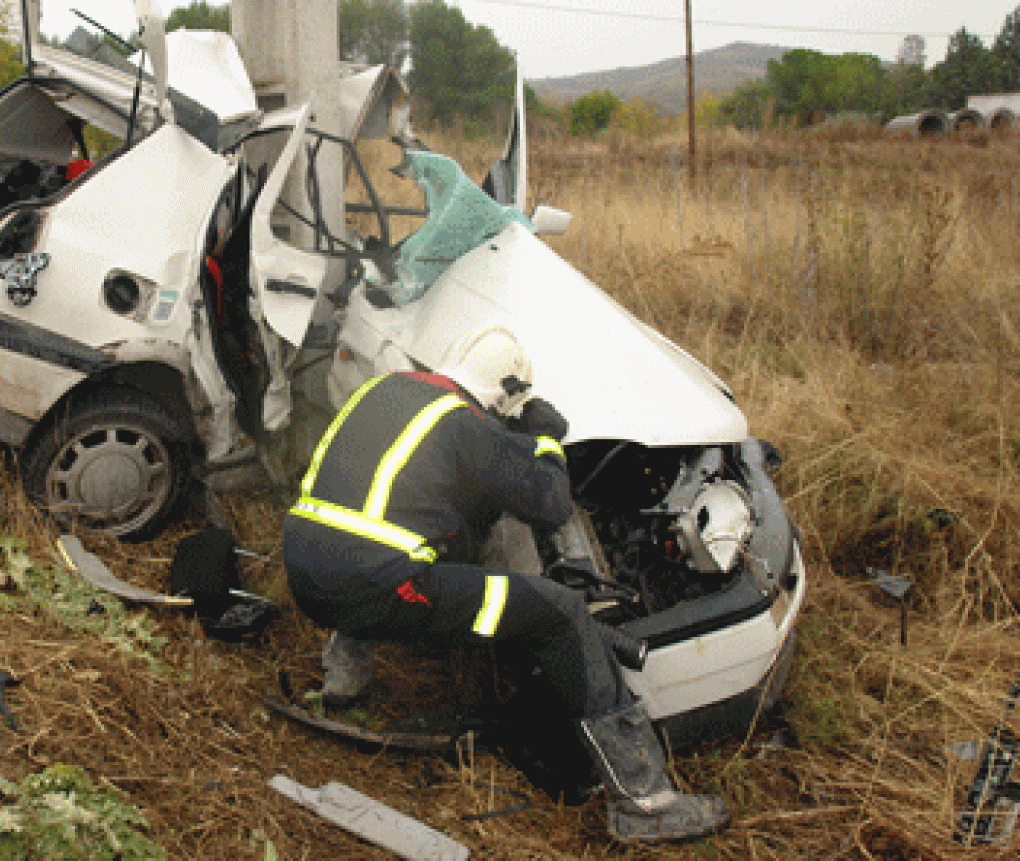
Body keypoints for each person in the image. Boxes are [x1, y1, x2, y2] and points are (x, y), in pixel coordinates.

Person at [282, 325, 729, 845]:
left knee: (392, 539)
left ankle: (343, 678)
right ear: (502, 394)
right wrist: (543, 438)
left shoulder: (381, 388)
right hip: (377, 590)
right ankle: (644, 804)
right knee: (559, 614)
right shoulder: (465, 422)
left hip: (306, 574)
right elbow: (551, 504)